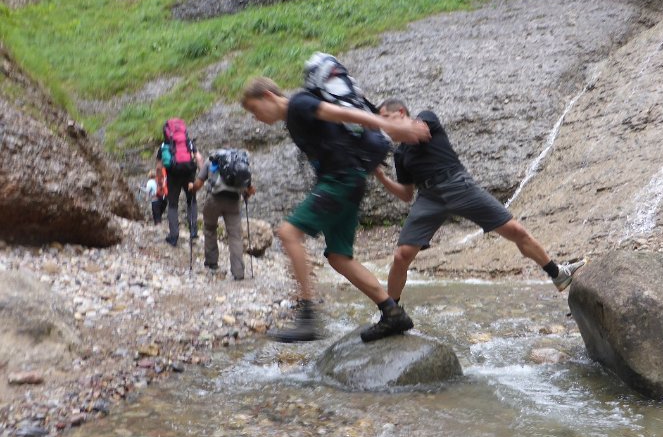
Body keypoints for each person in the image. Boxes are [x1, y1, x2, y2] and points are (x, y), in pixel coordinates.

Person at [240, 76, 431, 343]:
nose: (255, 118)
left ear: (269, 97)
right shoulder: (295, 116)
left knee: (288, 232)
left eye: (254, 110)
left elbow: (342, 113)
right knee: (339, 257)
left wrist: (387, 124)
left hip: (340, 181)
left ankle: (307, 317)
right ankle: (392, 311)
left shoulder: (299, 104)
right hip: (349, 181)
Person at [374, 98, 585, 312]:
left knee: (515, 230)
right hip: (428, 197)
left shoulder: (426, 118)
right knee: (401, 256)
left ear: (401, 112)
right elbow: (406, 194)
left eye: (385, 118)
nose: (383, 125)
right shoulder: (400, 154)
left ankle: (557, 274)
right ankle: (391, 312)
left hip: (457, 184)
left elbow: (419, 133)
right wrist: (380, 176)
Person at [188, 154, 255, 281]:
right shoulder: (240, 164)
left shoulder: (210, 161)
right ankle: (239, 272)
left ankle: (211, 263)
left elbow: (198, 184)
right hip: (233, 202)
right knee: (235, 236)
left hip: (214, 200)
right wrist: (246, 194)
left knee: (209, 228)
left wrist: (192, 188)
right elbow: (250, 189)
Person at [156, 145, 202, 247]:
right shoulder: (187, 142)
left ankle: (174, 236)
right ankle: (193, 230)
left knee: (172, 205)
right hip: (189, 173)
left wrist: (160, 183)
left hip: (173, 175)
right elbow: (198, 157)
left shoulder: (164, 145)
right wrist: (202, 176)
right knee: (192, 201)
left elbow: (159, 166)